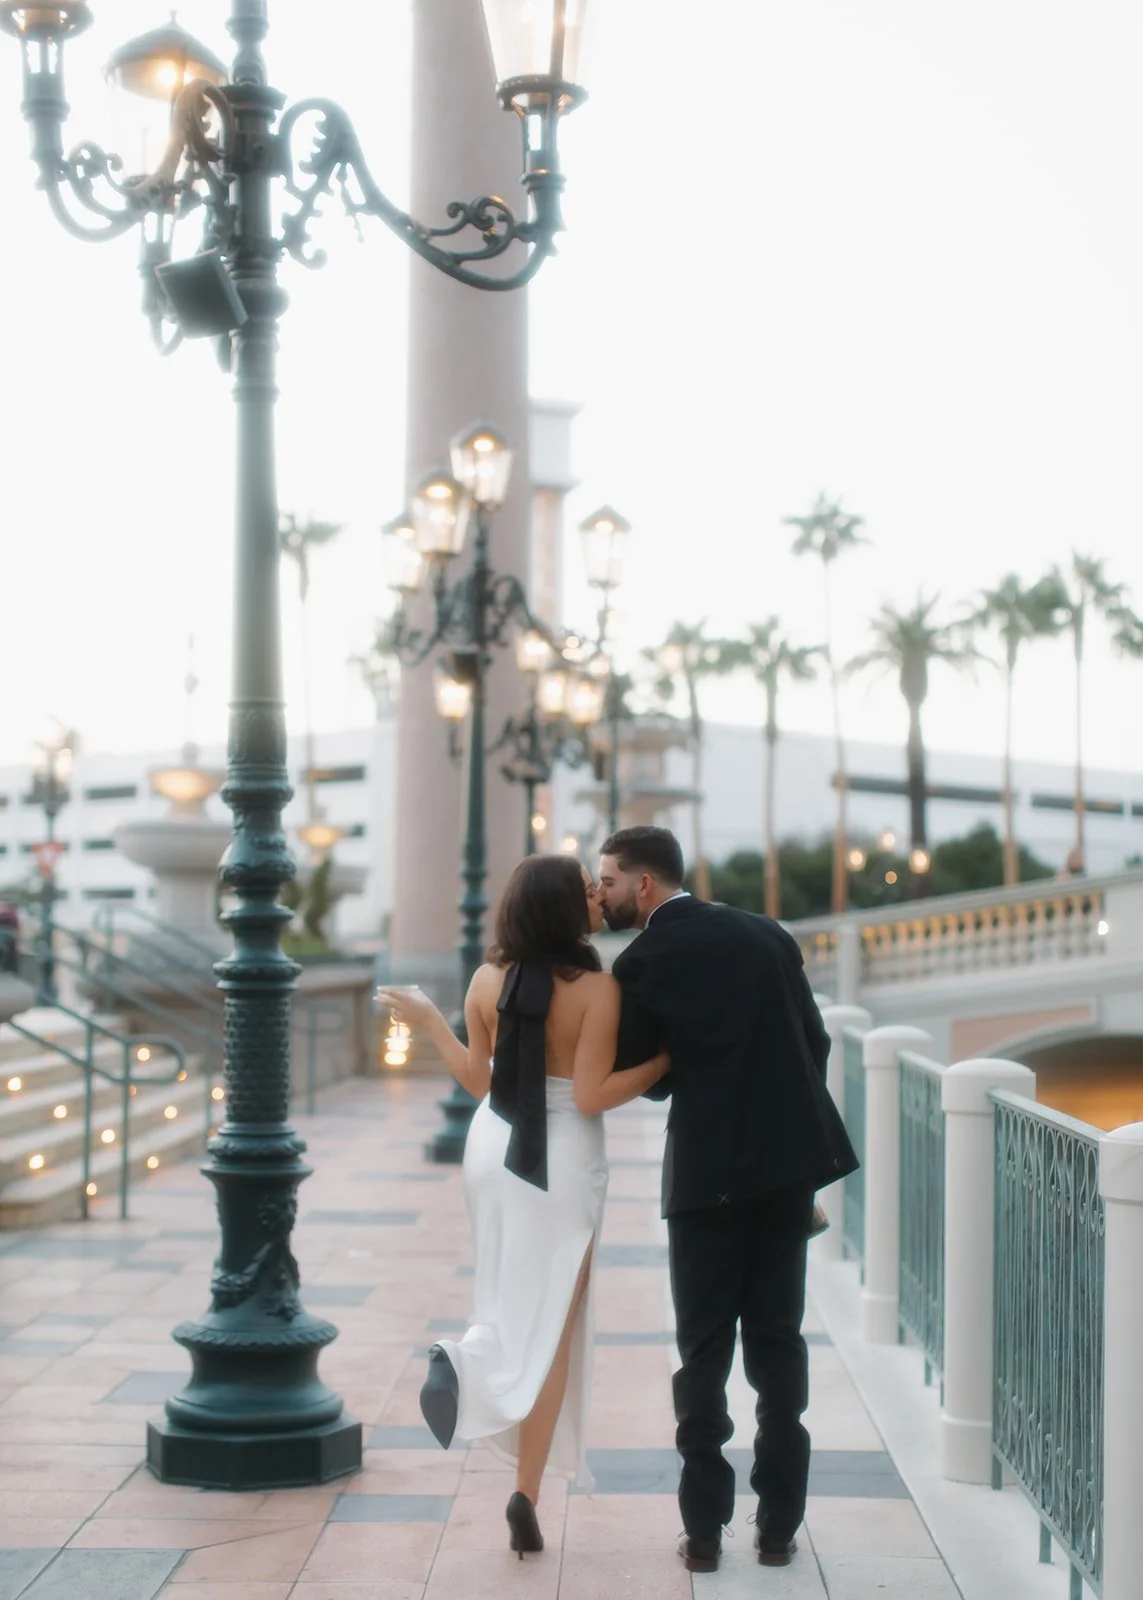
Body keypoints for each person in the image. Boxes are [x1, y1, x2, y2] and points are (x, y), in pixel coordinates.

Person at [376, 853, 668, 1559]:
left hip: (494, 1145)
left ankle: (517, 1473)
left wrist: (427, 1020)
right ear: (562, 909)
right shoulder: (597, 988)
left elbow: (481, 1080)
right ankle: (495, 1423)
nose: (598, 900)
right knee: (557, 1320)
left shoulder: (484, 979)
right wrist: (666, 1061)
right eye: (585, 892)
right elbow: (593, 1095)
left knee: (509, 1299)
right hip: (561, 1154)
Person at [597, 825, 859, 1574]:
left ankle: (704, 1531)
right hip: (781, 1176)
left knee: (702, 1350)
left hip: (704, 1176)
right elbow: (814, 1044)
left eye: (609, 880)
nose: (603, 893)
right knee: (777, 1344)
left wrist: (693, 1071)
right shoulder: (766, 936)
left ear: (643, 884)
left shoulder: (641, 961)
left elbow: (648, 1073)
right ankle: (778, 1528)